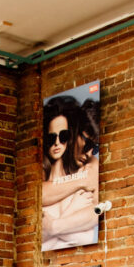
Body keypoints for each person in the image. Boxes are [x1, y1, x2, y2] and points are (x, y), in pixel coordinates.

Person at [42, 95, 100, 250]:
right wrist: (81, 182)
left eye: (94, 148)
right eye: (86, 143)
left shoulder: (90, 168)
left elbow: (95, 216)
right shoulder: (44, 168)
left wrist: (53, 227)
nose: (89, 153)